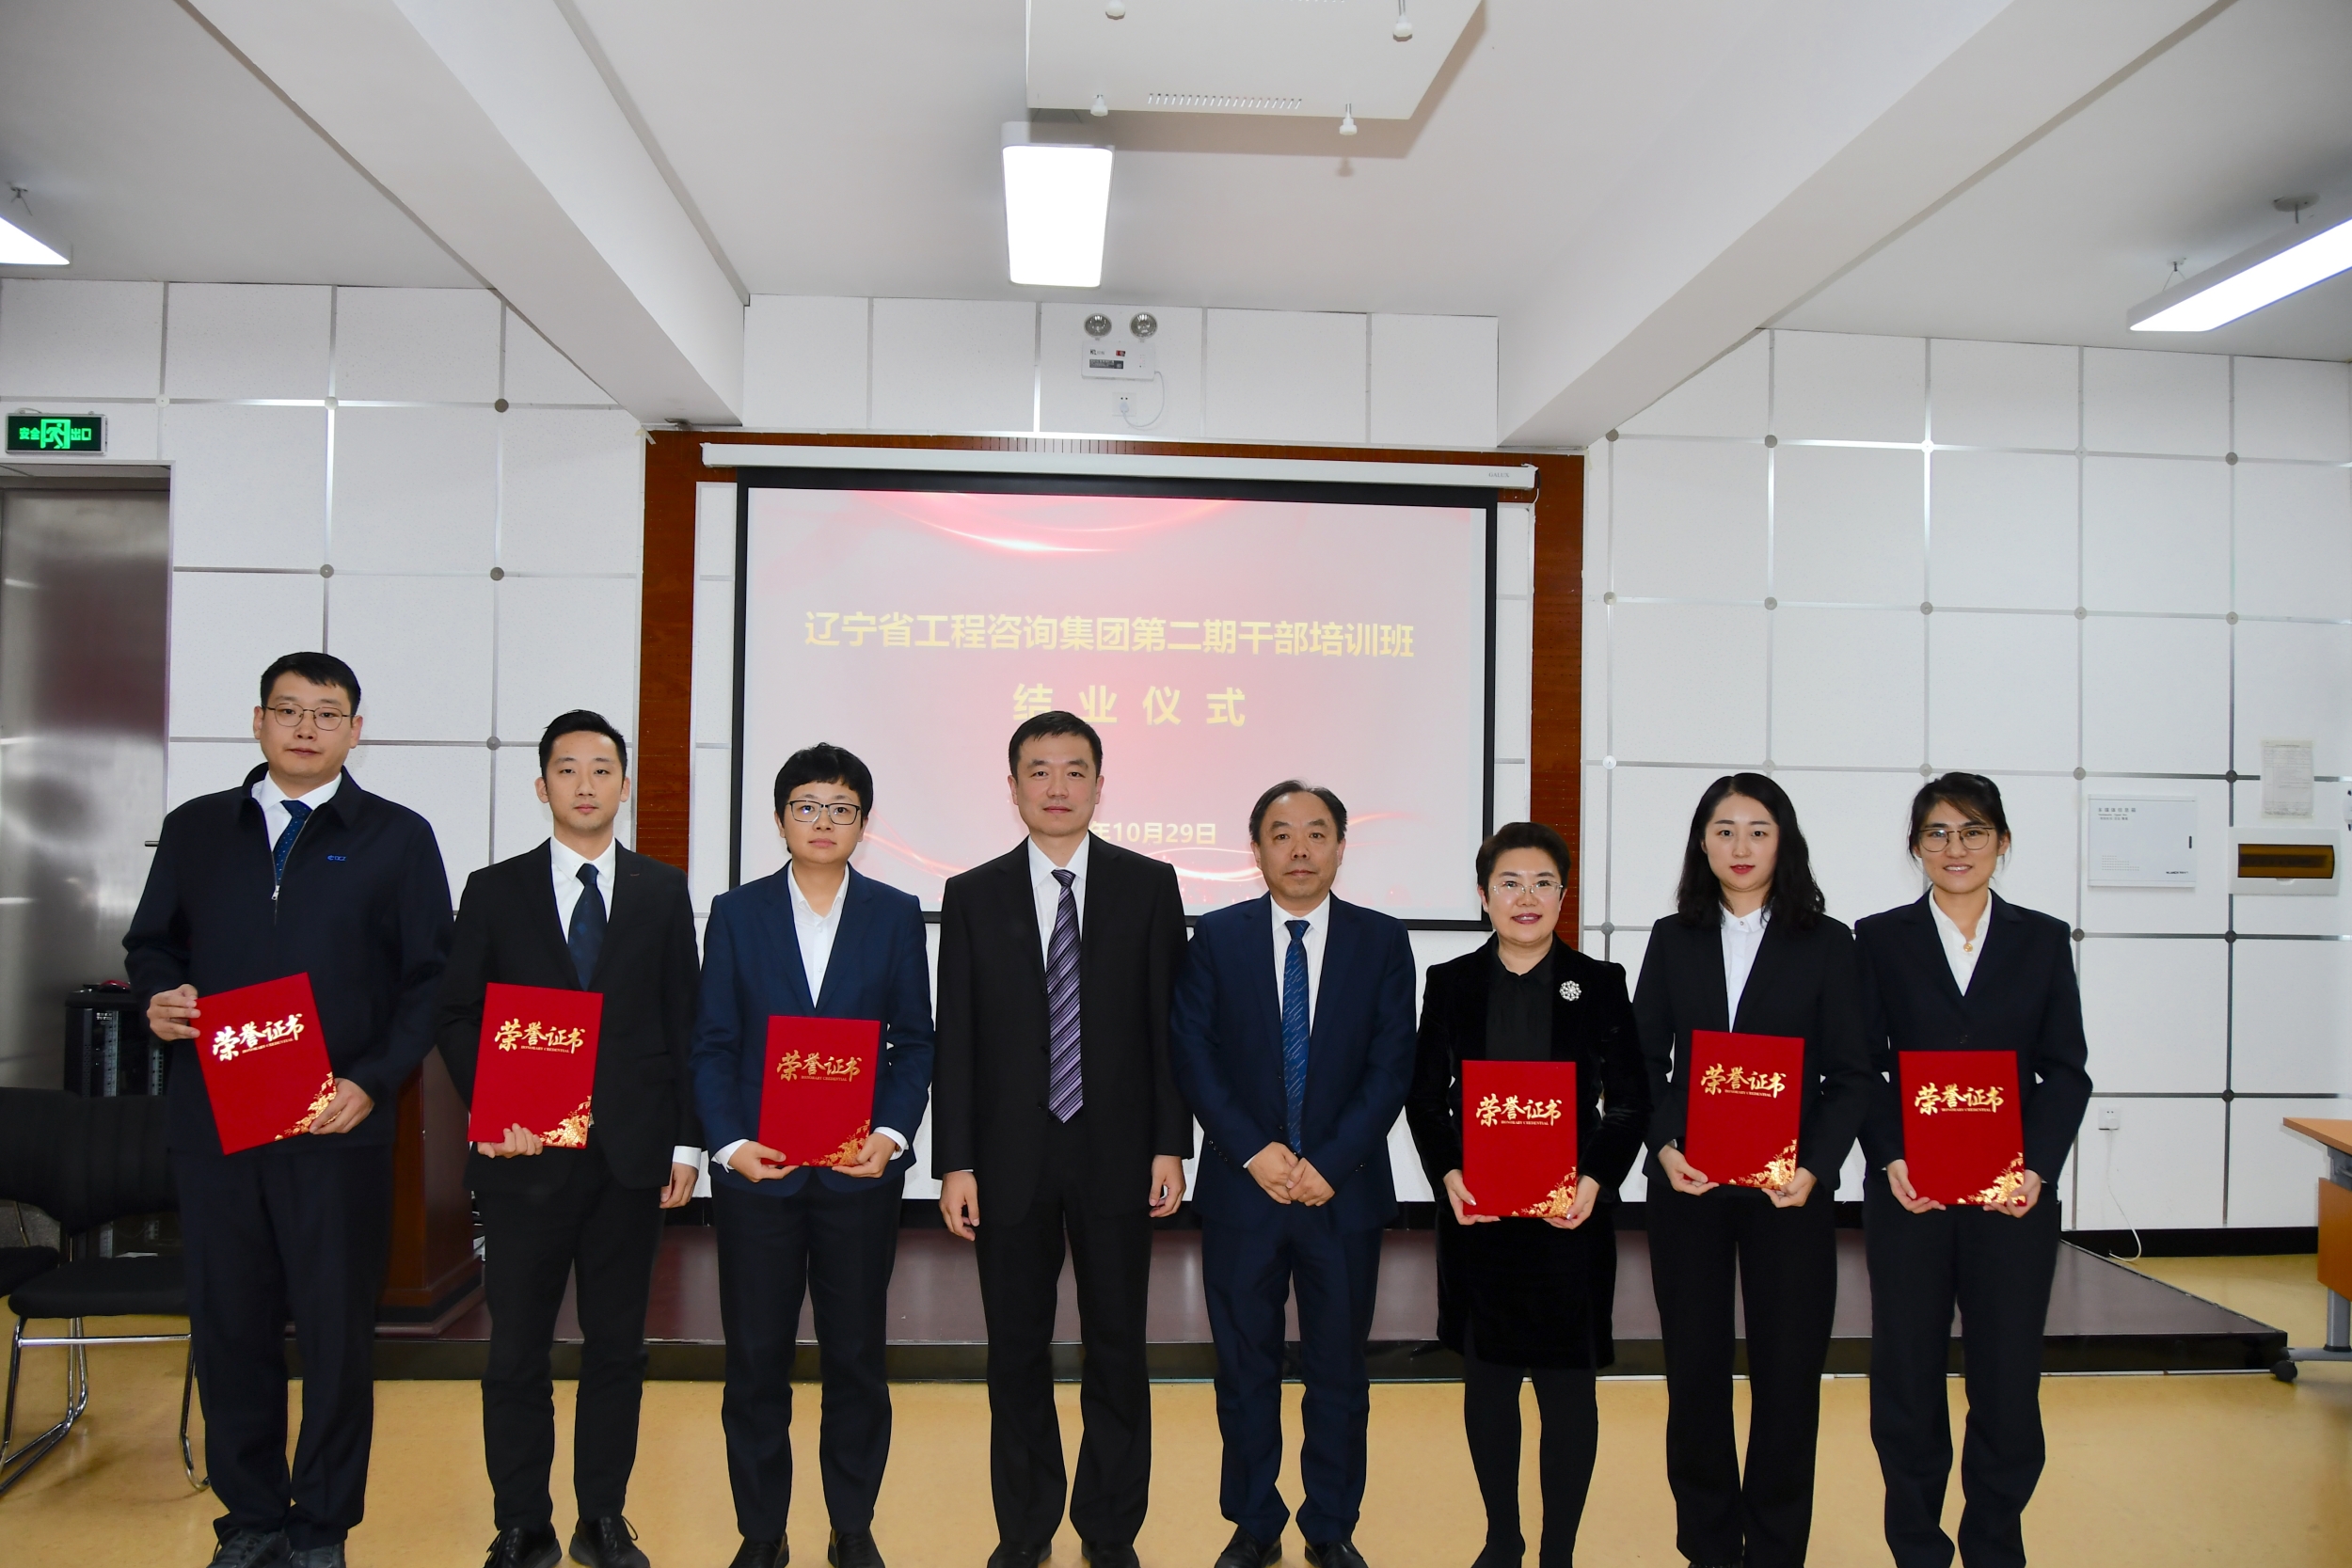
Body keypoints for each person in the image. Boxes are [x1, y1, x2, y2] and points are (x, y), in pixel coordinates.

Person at [127, 652, 453, 1568]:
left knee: (337, 1330)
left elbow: (431, 979)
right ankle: (251, 1516)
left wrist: (371, 1080)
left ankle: (322, 1524)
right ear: (258, 720)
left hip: (335, 1125)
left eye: (327, 712)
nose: (306, 727)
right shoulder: (198, 828)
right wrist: (158, 995)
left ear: (356, 730)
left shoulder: (396, 836)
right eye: (288, 709)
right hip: (216, 1123)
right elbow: (152, 944)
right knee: (229, 1324)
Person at [433, 711, 704, 1568]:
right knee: (516, 1349)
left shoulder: (662, 891)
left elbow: (685, 1020)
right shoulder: (493, 889)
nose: (585, 784)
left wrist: (687, 1146)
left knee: (617, 1348)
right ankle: (522, 1520)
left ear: (625, 785)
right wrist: (492, 1109)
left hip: (630, 1160)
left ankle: (603, 1516)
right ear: (541, 784)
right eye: (567, 768)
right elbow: (456, 1012)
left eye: (601, 768)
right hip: (524, 1159)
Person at [933, 712, 1190, 1568]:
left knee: (1118, 1347)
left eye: (1074, 770)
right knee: (1015, 1350)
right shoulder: (972, 894)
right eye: (1038, 771)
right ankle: (1025, 1526)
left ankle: (1110, 1529)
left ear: (1099, 785)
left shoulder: (1149, 885)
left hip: (1119, 1152)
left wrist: (1170, 1142)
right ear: (1012, 787)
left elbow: (1167, 1026)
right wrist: (955, 1160)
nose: (1056, 787)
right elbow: (956, 1036)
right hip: (1008, 1158)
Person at [691, 743, 935, 1568]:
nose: (823, 821)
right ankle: (761, 1532)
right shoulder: (736, 912)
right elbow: (713, 1042)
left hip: (857, 1177)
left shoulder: (895, 913)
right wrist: (730, 1145)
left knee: (856, 1361)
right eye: (806, 806)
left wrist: (890, 1136)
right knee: (756, 1361)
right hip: (758, 1178)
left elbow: (915, 1042)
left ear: (864, 823)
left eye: (840, 808)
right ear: (779, 818)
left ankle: (852, 1525)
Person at [1169, 781, 1417, 1568]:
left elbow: (1392, 1064)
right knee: (1244, 1370)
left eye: (1316, 833)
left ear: (1341, 845)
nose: (1300, 849)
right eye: (1282, 834)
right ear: (1257, 849)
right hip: (1244, 1192)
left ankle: (1331, 1524)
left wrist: (1329, 1161)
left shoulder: (1382, 940)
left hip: (1342, 1194)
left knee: (1339, 1371)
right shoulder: (1217, 936)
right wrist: (1255, 1150)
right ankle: (1254, 1522)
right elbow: (1194, 1053)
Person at [1630, 772, 1869, 1568]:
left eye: (1758, 830)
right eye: (1724, 829)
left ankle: (1774, 1547)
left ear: (1783, 841)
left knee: (1788, 1375)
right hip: (1689, 1185)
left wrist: (1816, 1167)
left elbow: (1851, 1074)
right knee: (1695, 1372)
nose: (1741, 846)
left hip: (1788, 1191)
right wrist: (1664, 1147)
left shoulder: (1827, 942)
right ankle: (1706, 1543)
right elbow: (1642, 1061)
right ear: (1701, 842)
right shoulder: (1673, 936)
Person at [1855, 774, 2091, 1568]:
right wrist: (1890, 1154)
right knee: (1907, 1378)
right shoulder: (1877, 938)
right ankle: (1917, 1547)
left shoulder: (2042, 938)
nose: (1955, 848)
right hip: (1909, 1196)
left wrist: (2038, 1168)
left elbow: (2066, 1070)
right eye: (1937, 833)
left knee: (2007, 1379)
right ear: (1915, 846)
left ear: (2002, 842)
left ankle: (1995, 1543)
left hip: (2010, 1199)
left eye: (1974, 831)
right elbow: (1861, 1066)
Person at [1405, 822, 1651, 1568]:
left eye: (1544, 882)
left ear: (1563, 895)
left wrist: (1593, 1181)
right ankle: (1502, 1537)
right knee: (1489, 1387)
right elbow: (1425, 1098)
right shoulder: (1452, 981)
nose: (1527, 897)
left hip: (1570, 1220)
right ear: (1483, 895)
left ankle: (1558, 1551)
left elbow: (1630, 1102)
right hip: (1480, 1219)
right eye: (1509, 882)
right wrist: (1450, 1175)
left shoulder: (1598, 982)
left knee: (1568, 1392)